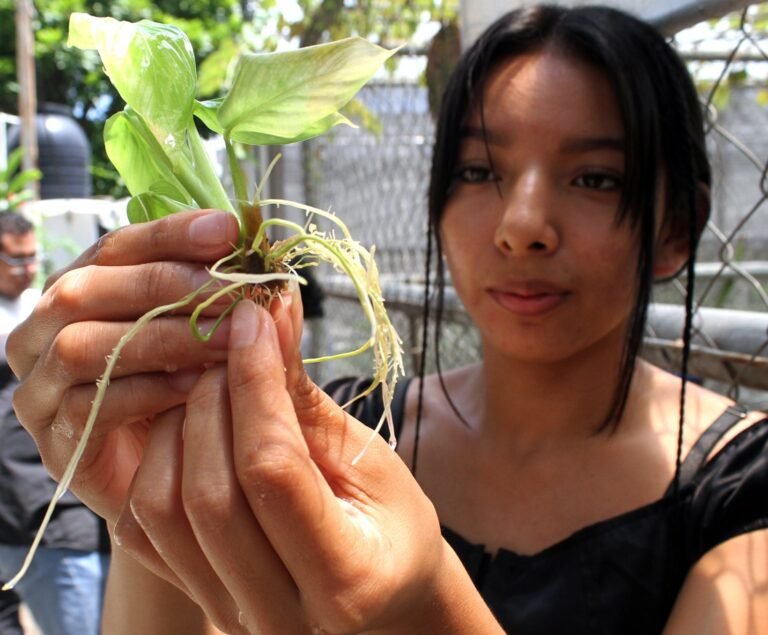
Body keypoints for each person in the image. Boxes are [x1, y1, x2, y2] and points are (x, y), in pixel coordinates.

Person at [4, 4, 767, 634]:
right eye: (479, 172)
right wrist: (154, 493)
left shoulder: (743, 490)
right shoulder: (336, 427)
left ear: (677, 227)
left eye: (595, 177)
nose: (522, 224)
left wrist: (426, 606)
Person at [0, 211, 110, 635]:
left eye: (32, 257)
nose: (27, 268)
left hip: (74, 508)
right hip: (36, 516)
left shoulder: (36, 307)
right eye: (15, 260)